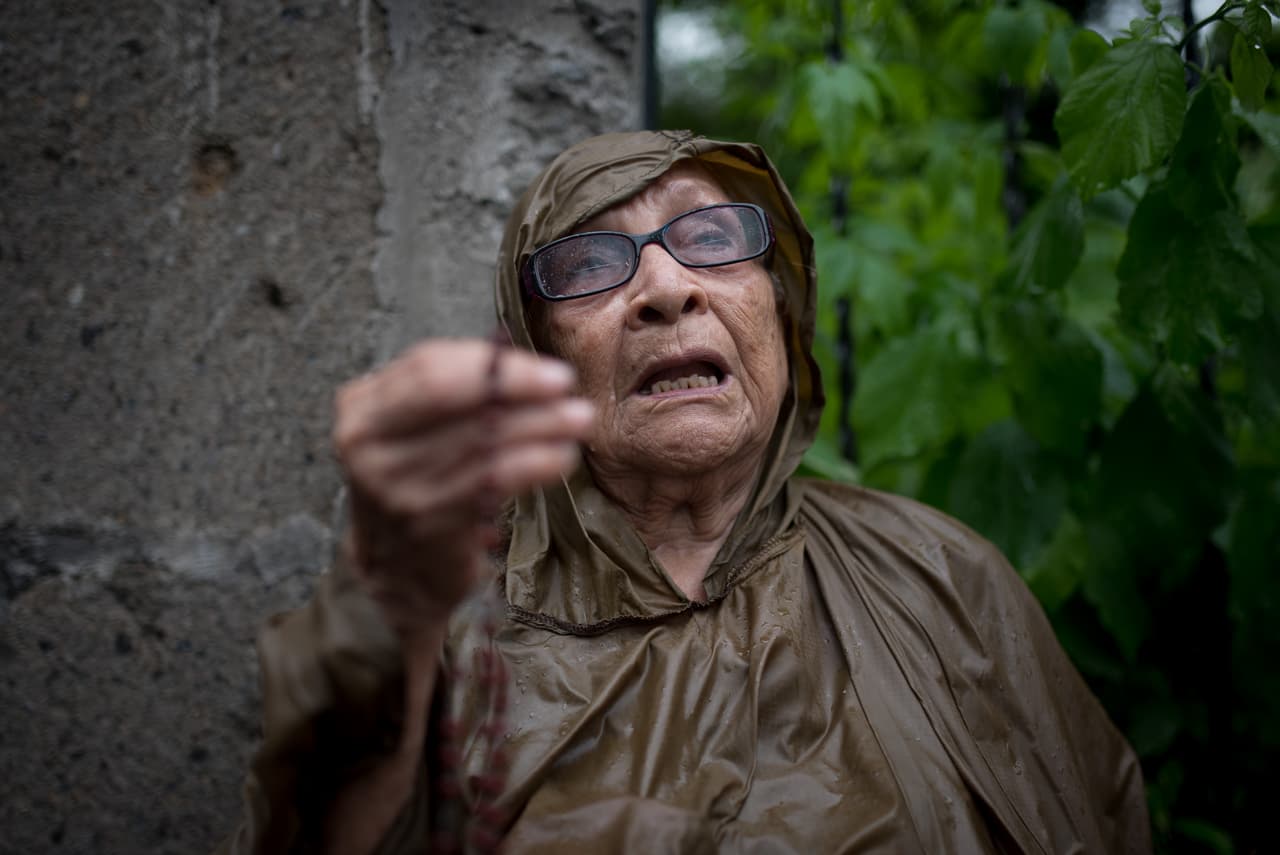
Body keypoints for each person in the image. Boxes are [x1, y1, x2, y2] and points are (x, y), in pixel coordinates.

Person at [218, 130, 1151, 854]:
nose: (666, 288)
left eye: (711, 238)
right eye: (589, 264)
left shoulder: (941, 573)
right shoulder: (444, 627)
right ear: (539, 353)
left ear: (781, 309)